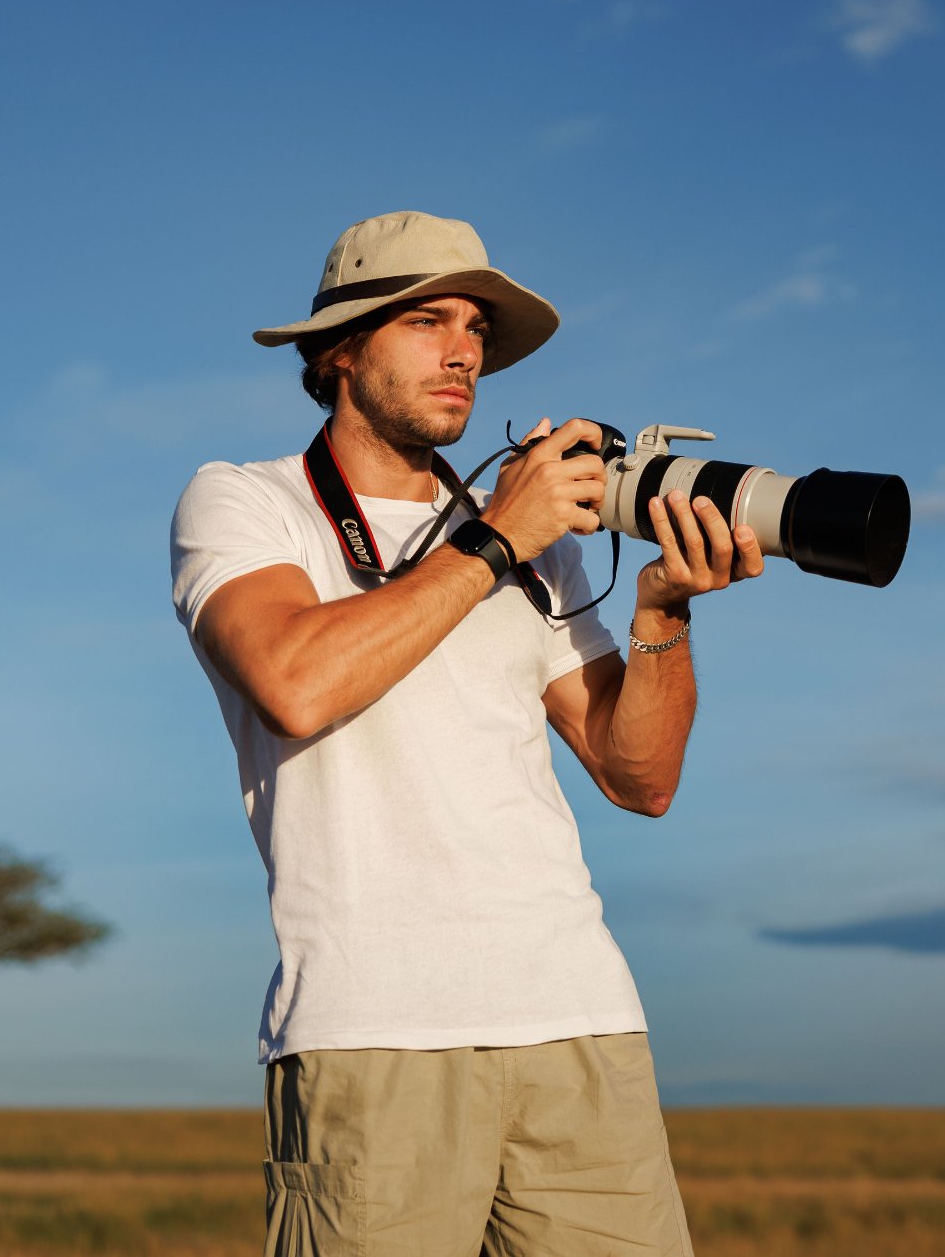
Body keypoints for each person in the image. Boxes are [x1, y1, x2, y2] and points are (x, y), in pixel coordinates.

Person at [170, 210, 762, 1256]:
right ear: (335, 350)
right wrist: (495, 535)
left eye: (477, 331)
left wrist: (662, 611)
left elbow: (640, 777)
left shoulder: (535, 538)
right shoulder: (245, 502)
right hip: (371, 1029)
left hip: (577, 1014)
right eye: (426, 321)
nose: (462, 353)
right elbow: (295, 683)